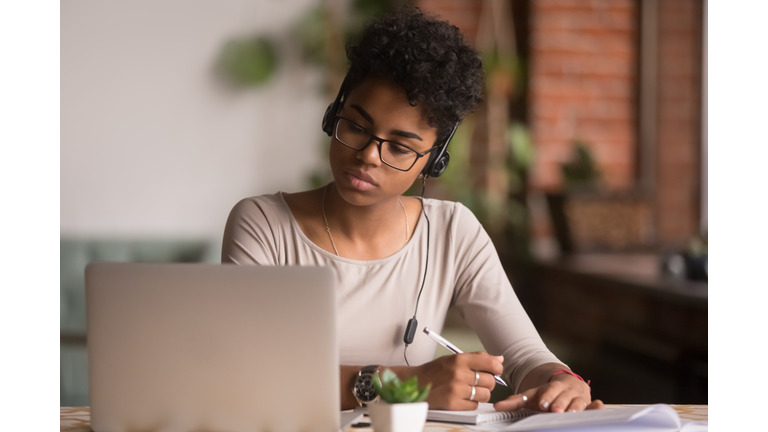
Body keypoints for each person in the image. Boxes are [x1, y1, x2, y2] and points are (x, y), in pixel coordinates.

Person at [222, 6, 603, 413]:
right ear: (334, 114)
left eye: (400, 147)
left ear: (433, 161)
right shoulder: (263, 225)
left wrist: (561, 382)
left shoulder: (453, 231)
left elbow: (525, 355)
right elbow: (250, 373)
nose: (368, 155)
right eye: (355, 126)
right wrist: (407, 383)